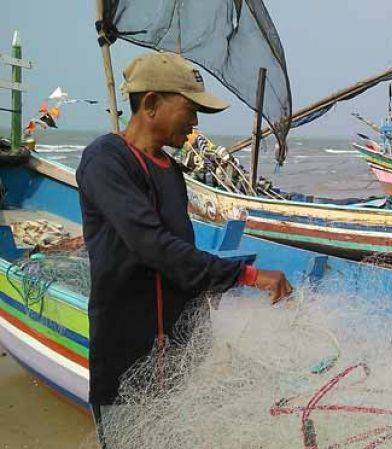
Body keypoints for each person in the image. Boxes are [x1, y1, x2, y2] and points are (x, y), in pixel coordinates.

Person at [76, 52, 292, 445]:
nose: (195, 124)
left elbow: (183, 257)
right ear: (152, 103)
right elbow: (154, 247)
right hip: (126, 364)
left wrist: (204, 344)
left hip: (176, 365)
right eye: (190, 109)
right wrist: (246, 275)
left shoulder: (172, 173)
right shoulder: (105, 161)